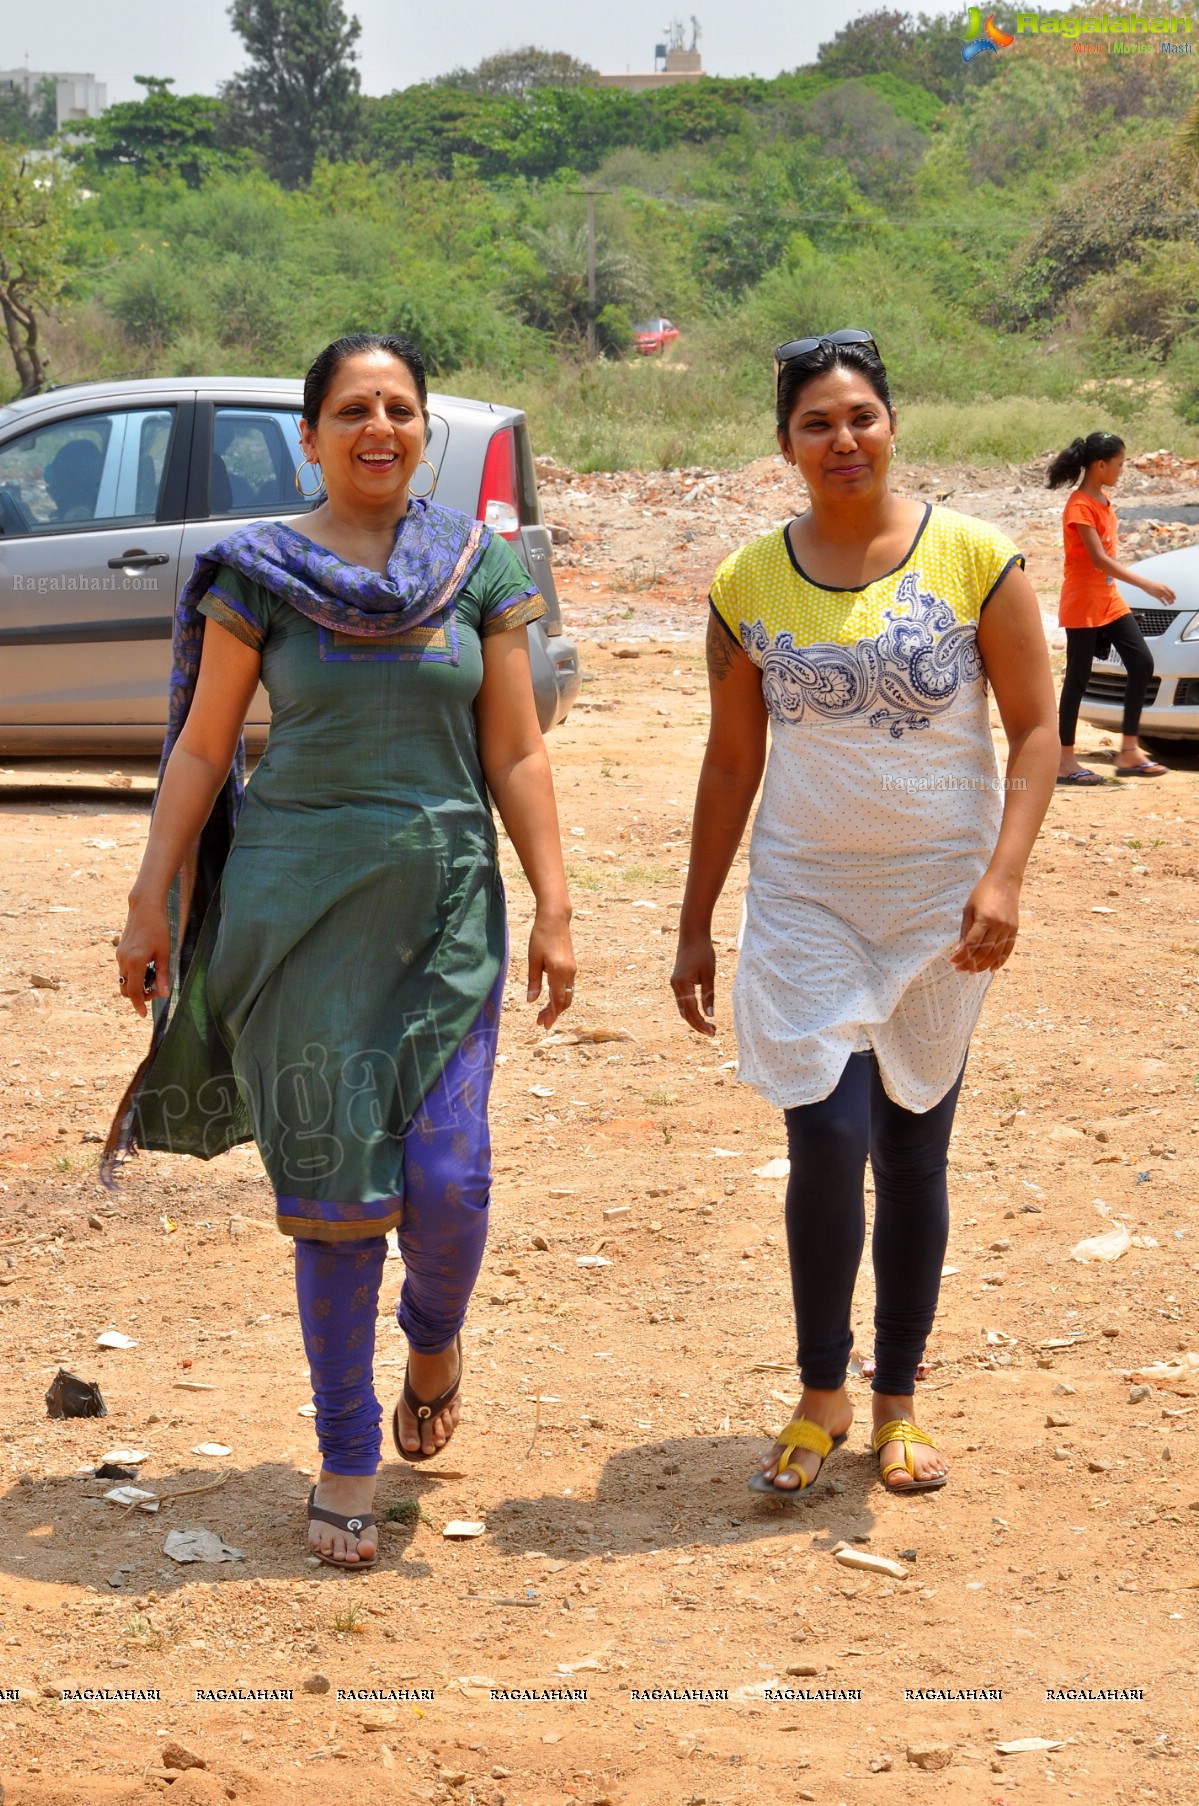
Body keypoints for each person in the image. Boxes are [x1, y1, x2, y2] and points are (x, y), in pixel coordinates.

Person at [107, 333, 576, 1567]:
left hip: (441, 912)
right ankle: (346, 1457)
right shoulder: (258, 571)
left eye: (401, 409)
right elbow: (205, 750)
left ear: (426, 432)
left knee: (451, 1179)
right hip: (295, 912)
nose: (379, 427)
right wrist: (151, 895)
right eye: (353, 410)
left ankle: (434, 1334)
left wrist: (557, 902)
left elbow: (517, 751)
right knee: (333, 1203)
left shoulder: (478, 568)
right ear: (309, 435)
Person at [670, 329, 1058, 1497]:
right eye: (814, 424)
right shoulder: (744, 583)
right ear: (783, 444)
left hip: (941, 902)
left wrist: (1002, 878)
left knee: (910, 1142)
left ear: (891, 426)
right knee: (825, 1138)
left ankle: (895, 1400)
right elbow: (730, 763)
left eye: (859, 419)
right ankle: (817, 1392)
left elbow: (1036, 730)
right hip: (804, 898)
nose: (841, 441)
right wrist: (693, 922)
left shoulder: (975, 560)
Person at [1050, 430, 1175, 785]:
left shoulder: (1103, 500)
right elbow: (1099, 560)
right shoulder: (1079, 506)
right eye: (1119, 464)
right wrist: (1147, 584)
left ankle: (1129, 751)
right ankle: (1064, 762)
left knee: (1141, 662)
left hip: (1108, 598)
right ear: (1100, 465)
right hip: (1083, 601)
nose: (1122, 470)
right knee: (1077, 678)